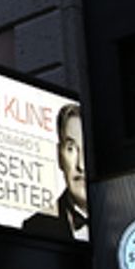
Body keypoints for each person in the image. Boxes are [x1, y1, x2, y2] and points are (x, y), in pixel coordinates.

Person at [55, 103, 89, 241]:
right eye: (71, 149)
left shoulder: (129, 215)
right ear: (59, 156)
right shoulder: (35, 226)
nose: (80, 165)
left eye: (88, 149)